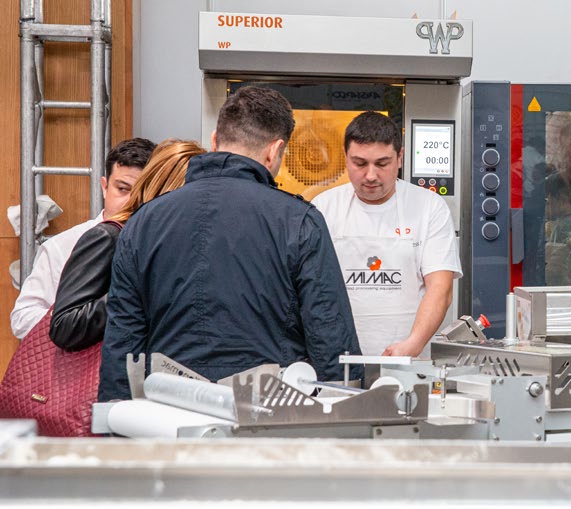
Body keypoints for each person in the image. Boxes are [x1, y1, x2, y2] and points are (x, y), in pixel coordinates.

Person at [98, 86, 360, 401]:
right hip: (268, 412)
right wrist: (346, 411)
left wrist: (116, 416)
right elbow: (330, 335)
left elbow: (122, 344)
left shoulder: (144, 222)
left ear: (214, 140)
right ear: (274, 151)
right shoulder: (299, 221)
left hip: (170, 411)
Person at [312, 112, 461, 358]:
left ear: (400, 158)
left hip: (409, 360)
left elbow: (440, 289)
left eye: (382, 164)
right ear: (345, 157)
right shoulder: (323, 208)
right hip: (337, 358)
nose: (371, 175)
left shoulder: (429, 207)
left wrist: (414, 344)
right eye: (360, 163)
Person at [50, 140, 205, 351]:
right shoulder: (110, 236)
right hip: (108, 366)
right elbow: (64, 325)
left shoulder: (169, 241)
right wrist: (133, 291)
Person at [10, 138, 154, 339]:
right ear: (104, 187)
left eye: (142, 192)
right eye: (122, 189)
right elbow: (22, 318)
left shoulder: (160, 246)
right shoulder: (63, 245)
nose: (131, 201)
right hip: (75, 353)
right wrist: (68, 317)